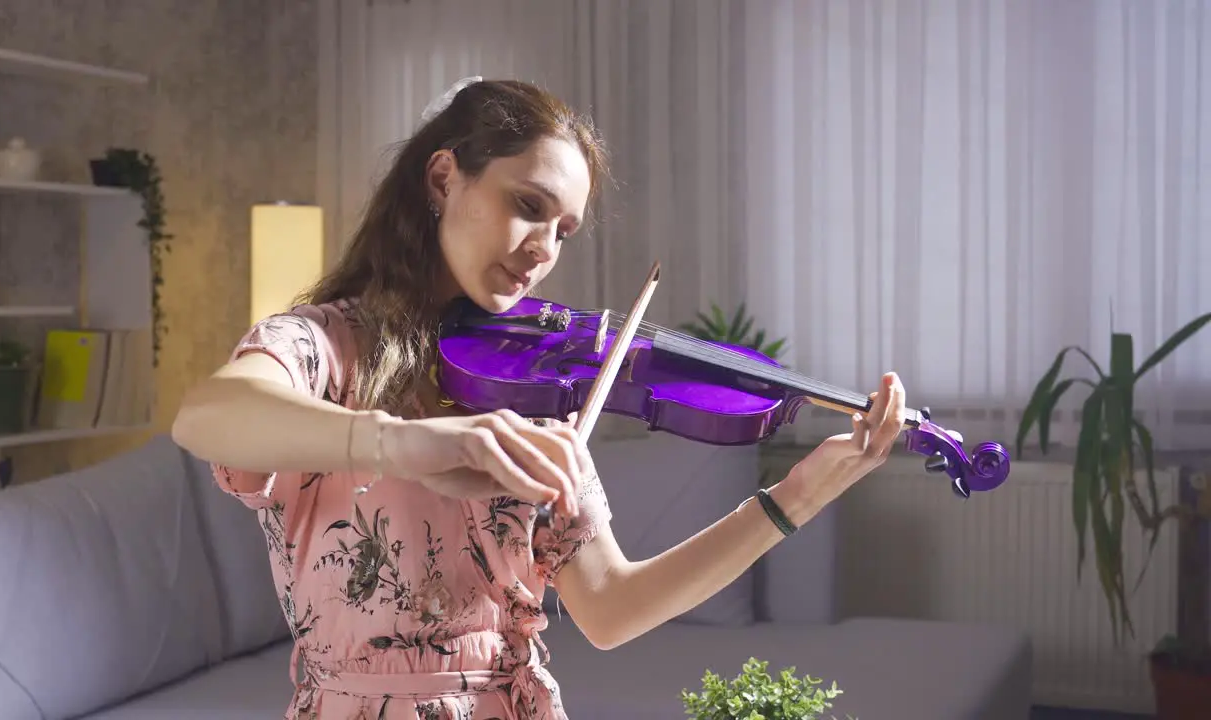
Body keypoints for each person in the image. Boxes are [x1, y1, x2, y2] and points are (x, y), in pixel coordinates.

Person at [171, 77, 907, 720]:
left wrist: (796, 498)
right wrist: (402, 441)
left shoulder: (534, 386)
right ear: (442, 179)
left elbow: (612, 608)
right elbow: (206, 417)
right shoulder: (324, 346)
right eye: (528, 205)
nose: (544, 249)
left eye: (563, 231)